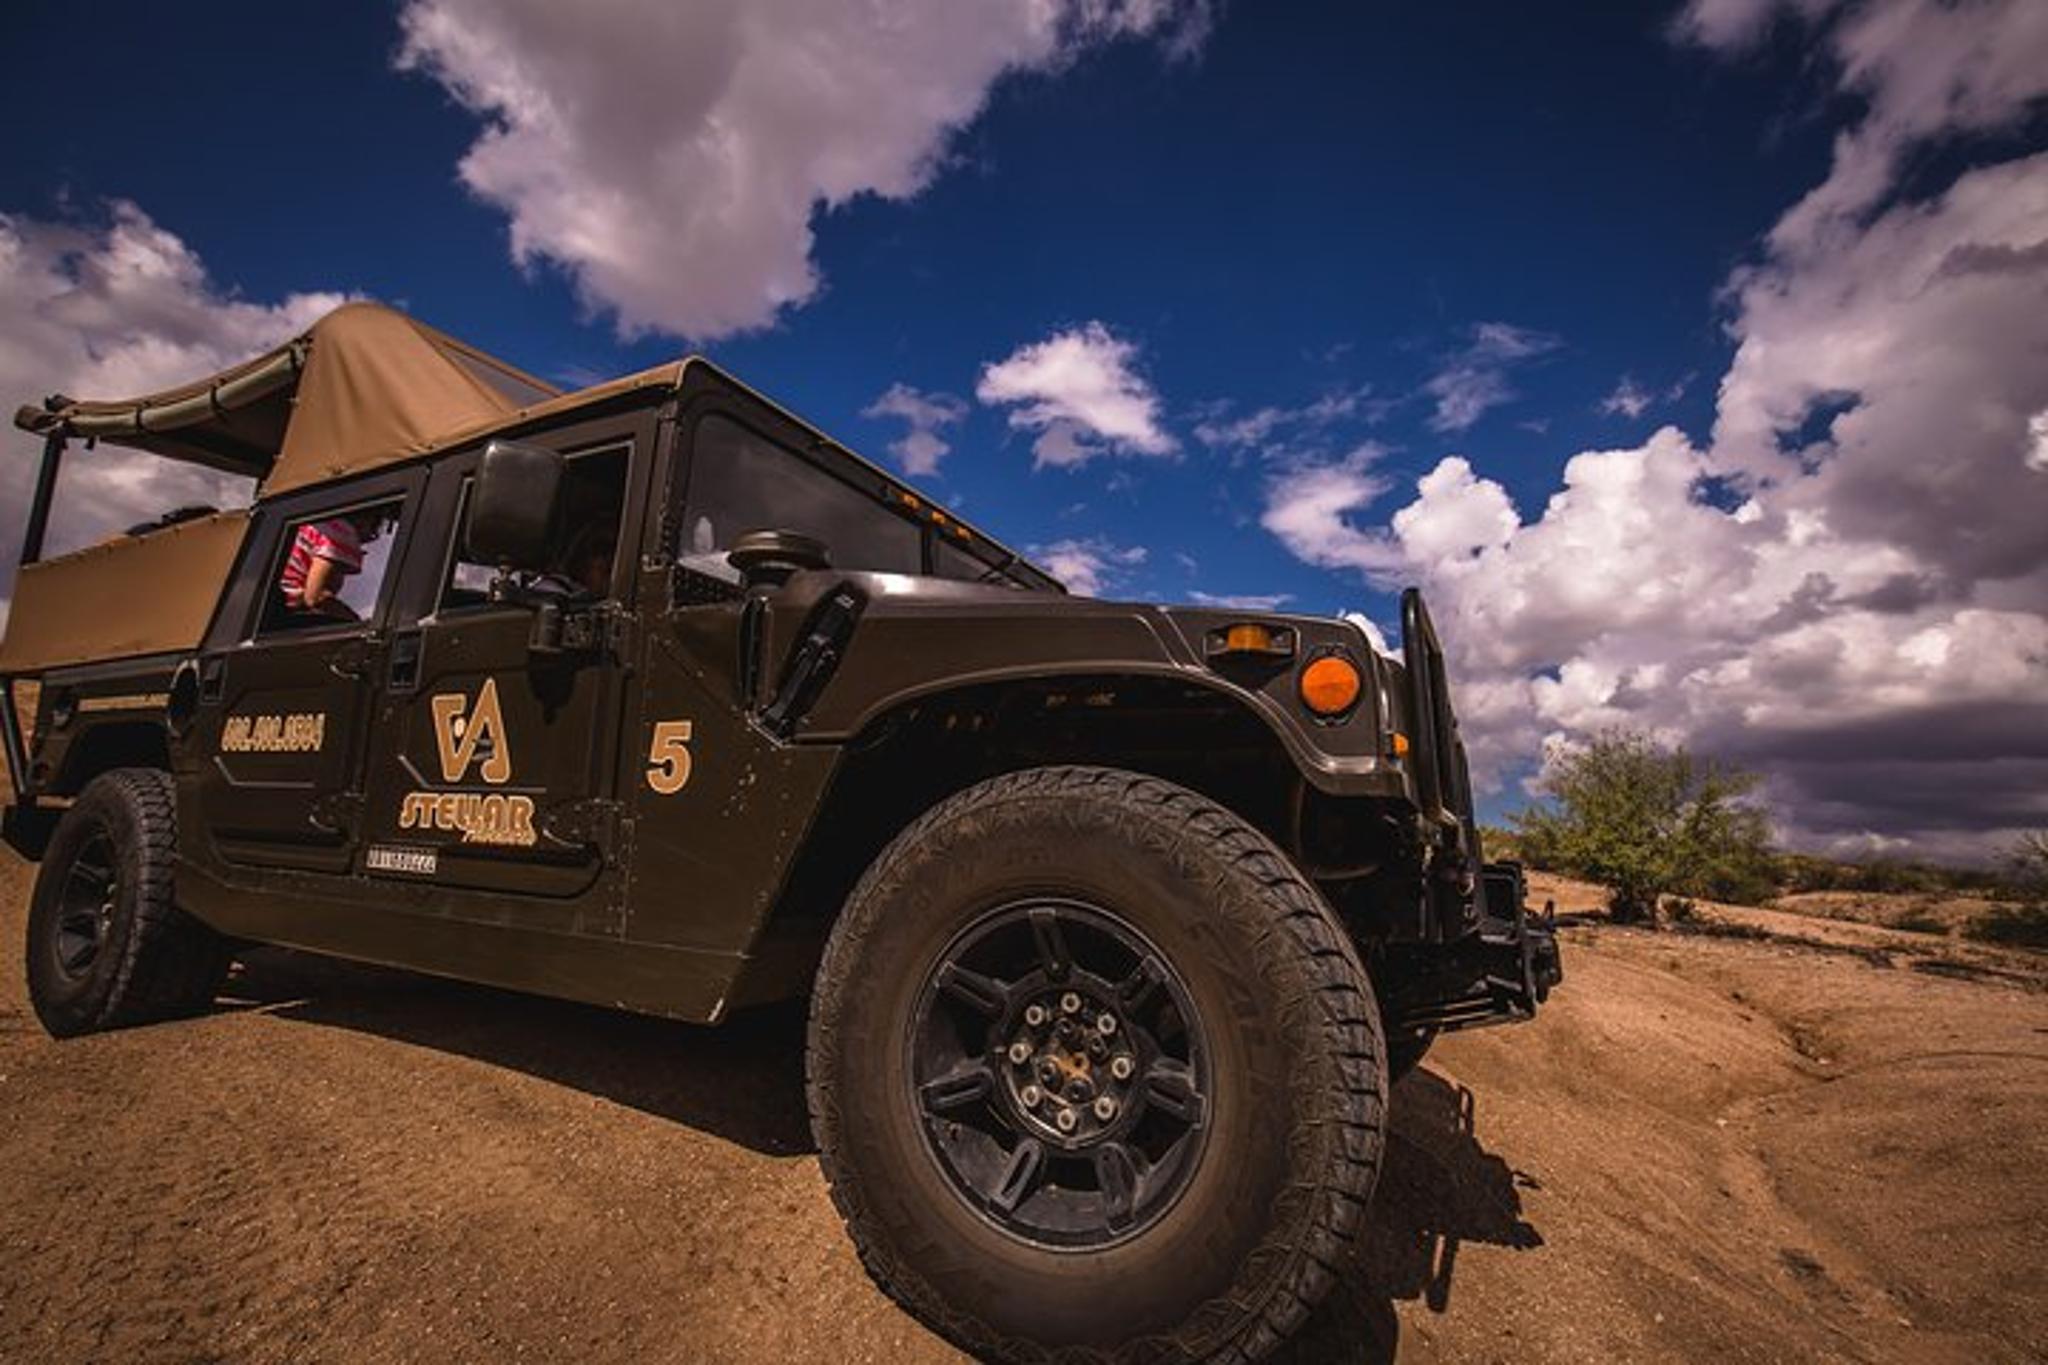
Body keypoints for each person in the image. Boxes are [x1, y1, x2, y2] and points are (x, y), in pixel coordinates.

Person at [279, 509, 384, 620]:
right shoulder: (343, 533)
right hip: (290, 610)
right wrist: (356, 623)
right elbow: (315, 597)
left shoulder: (317, 525)